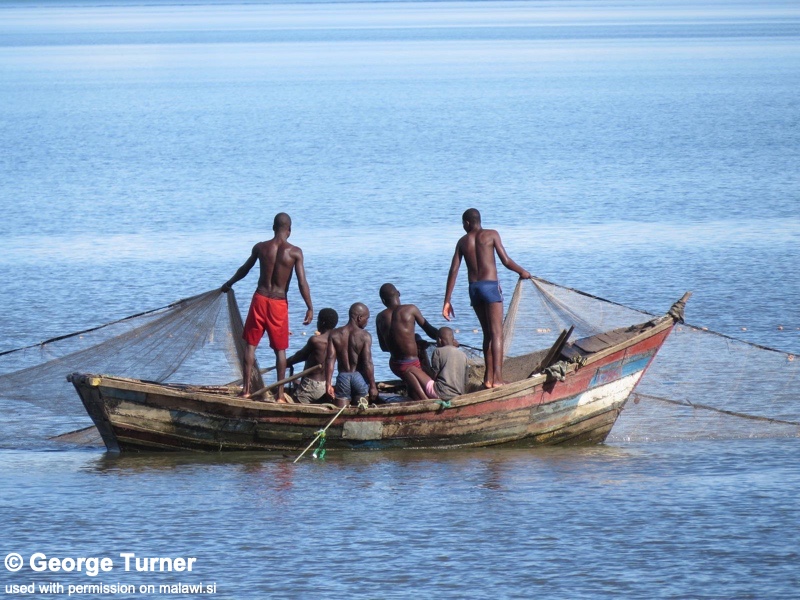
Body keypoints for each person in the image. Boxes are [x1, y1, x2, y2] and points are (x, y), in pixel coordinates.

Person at [221, 213, 313, 401]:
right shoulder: (295, 252)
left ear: (273, 227)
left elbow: (244, 269)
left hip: (260, 299)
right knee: (280, 351)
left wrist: (229, 283)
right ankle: (279, 396)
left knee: (250, 346)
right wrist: (309, 306)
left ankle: (246, 390)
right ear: (290, 230)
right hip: (278, 303)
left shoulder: (261, 247)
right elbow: (302, 282)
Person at [442, 208, 530, 389]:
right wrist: (522, 271)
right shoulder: (491, 235)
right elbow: (505, 260)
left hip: (474, 289)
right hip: (490, 286)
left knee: (487, 334)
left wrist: (447, 300)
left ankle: (488, 379)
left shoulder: (462, 242)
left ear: (467, 223)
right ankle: (498, 378)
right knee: (498, 333)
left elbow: (454, 270)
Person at [375, 283, 440, 401]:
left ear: (383, 301)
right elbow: (430, 330)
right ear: (398, 293)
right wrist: (444, 338)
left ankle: (413, 393)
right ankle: (425, 399)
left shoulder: (380, 317)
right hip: (412, 365)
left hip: (395, 365)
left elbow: (384, 347)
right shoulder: (410, 309)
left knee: (416, 337)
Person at [325, 303, 379, 408]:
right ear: (359, 318)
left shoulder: (334, 334)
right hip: (359, 377)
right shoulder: (365, 336)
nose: (367, 322)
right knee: (362, 410)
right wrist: (373, 386)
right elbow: (368, 363)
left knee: (342, 412)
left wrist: (328, 384)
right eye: (367, 319)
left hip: (343, 377)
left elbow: (330, 360)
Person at [286, 308, 338, 404]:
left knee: (292, 403)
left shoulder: (316, 340)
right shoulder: (338, 341)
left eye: (318, 320)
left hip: (311, 385)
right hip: (326, 385)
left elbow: (300, 356)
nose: (317, 323)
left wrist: (285, 362)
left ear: (322, 323)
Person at [430, 326, 468, 400]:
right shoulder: (463, 355)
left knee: (414, 372)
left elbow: (434, 375)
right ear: (453, 340)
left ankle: (424, 400)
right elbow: (466, 380)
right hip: (459, 393)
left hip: (442, 393)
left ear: (439, 340)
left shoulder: (437, 351)